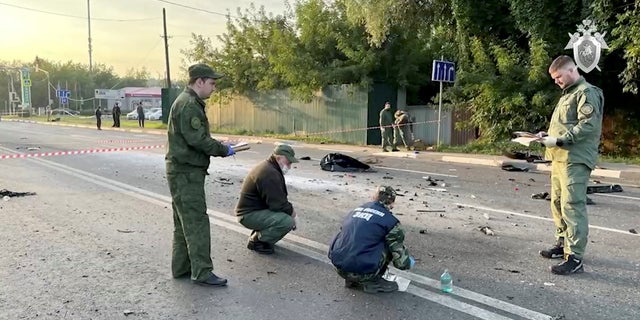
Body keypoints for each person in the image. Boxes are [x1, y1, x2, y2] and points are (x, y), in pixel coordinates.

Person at [165, 63, 234, 287]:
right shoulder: (189, 105)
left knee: (182, 222)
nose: (214, 88)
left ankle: (181, 268)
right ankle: (202, 272)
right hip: (186, 173)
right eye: (212, 83)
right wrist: (223, 149)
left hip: (181, 171)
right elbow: (198, 140)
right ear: (199, 82)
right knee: (196, 222)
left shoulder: (186, 102)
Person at [537, 55, 604, 275]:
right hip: (560, 158)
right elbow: (564, 125)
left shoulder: (586, 93)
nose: (556, 81)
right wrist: (547, 136)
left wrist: (560, 140)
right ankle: (562, 243)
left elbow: (588, 126)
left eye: (558, 77)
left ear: (571, 70)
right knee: (557, 202)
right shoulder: (569, 94)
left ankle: (575, 257)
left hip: (575, 159)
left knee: (572, 205)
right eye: (554, 78)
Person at [328, 186, 415, 293]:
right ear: (392, 204)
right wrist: (407, 262)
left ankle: (352, 280)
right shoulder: (391, 222)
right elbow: (401, 263)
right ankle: (373, 281)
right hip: (365, 273)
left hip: (340, 268)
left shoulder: (353, 212)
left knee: (353, 236)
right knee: (389, 242)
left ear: (373, 197)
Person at [235, 144, 298, 255]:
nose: (289, 166)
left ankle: (260, 234)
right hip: (248, 215)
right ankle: (258, 242)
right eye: (289, 162)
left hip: (253, 210)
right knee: (286, 222)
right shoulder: (269, 173)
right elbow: (278, 204)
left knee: (285, 215)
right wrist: (293, 215)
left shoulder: (270, 167)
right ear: (278, 158)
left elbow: (278, 198)